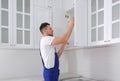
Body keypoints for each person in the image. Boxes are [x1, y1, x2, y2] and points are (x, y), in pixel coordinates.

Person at [39, 17, 74, 81]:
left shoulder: (49, 43)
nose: (52, 30)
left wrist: (64, 43)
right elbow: (64, 39)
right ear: (45, 30)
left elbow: (57, 56)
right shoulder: (45, 39)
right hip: (50, 73)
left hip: (54, 72)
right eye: (50, 28)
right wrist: (71, 25)